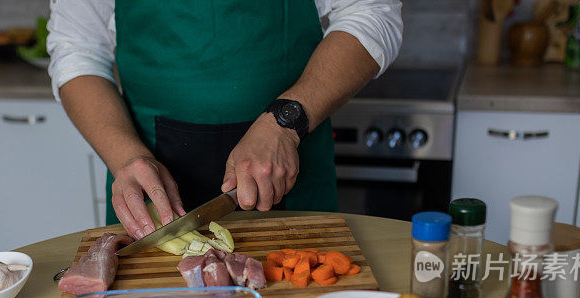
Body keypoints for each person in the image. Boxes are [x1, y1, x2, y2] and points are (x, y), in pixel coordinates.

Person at [47, 0, 403, 239]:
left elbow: (371, 11)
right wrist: (125, 157)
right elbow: (76, 50)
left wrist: (284, 121)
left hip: (290, 164)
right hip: (148, 183)